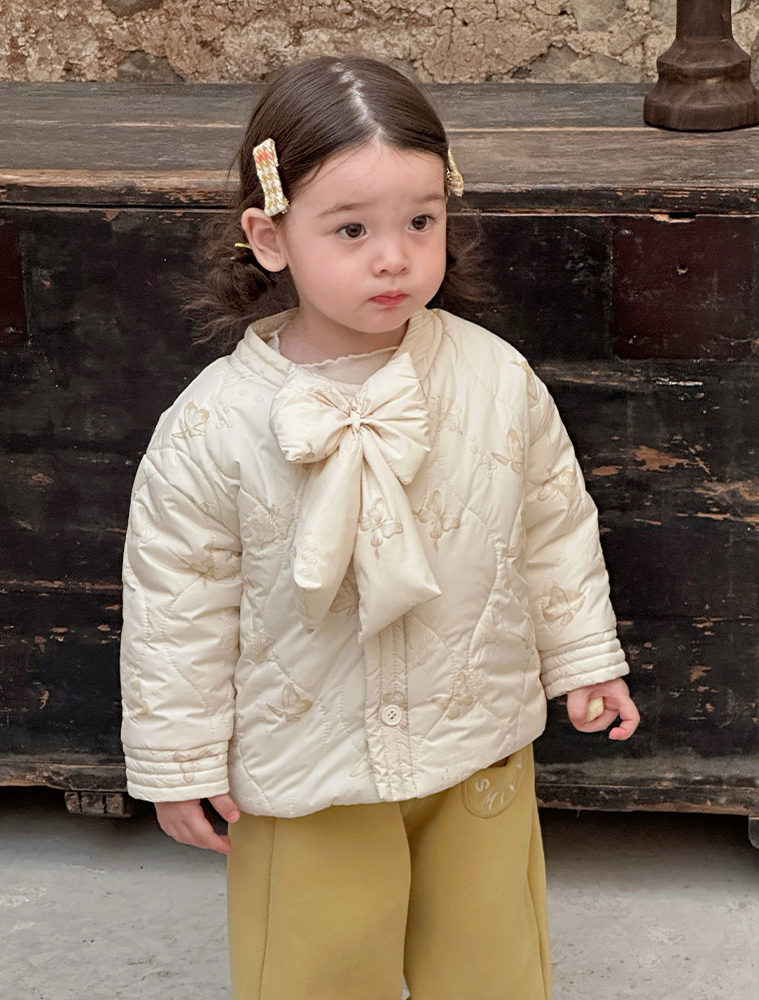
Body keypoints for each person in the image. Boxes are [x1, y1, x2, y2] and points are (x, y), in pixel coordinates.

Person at [119, 54, 640, 1000]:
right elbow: (177, 602)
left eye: (420, 222)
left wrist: (583, 657)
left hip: (474, 735)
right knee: (314, 970)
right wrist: (176, 758)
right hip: (304, 759)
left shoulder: (494, 378)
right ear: (269, 236)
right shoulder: (211, 425)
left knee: (492, 965)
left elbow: (554, 526)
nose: (393, 255)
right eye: (350, 228)